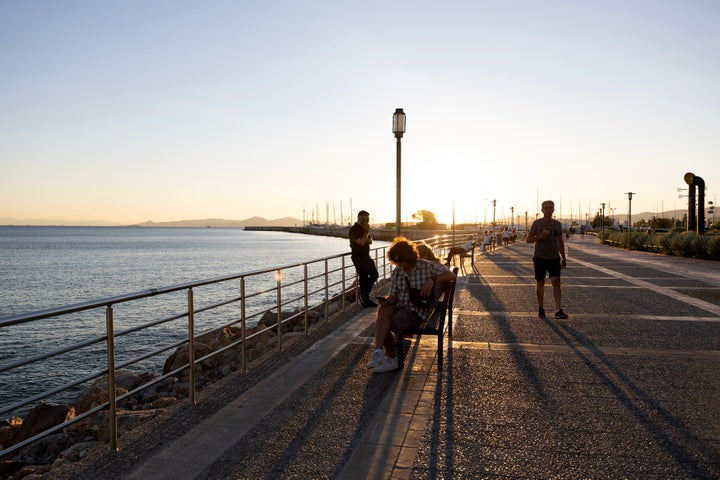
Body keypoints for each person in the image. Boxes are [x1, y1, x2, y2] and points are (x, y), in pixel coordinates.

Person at [368, 237, 457, 373]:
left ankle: (391, 358)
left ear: (409, 257)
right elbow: (393, 297)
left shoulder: (427, 266)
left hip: (417, 310)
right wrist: (386, 301)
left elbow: (451, 275)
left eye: (401, 260)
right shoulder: (397, 272)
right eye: (396, 261)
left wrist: (433, 280)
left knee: (386, 323)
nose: (399, 264)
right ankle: (379, 353)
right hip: (400, 305)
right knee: (382, 311)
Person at [526, 200, 568, 320]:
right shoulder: (537, 223)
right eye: (546, 208)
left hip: (554, 258)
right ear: (542, 210)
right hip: (540, 258)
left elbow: (560, 241)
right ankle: (540, 308)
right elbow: (528, 239)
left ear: (554, 209)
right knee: (540, 283)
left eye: (551, 207)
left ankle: (558, 310)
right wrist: (540, 237)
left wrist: (563, 257)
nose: (548, 209)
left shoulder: (557, 224)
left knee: (556, 283)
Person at [349, 210, 379, 308]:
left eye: (367, 219)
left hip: (366, 256)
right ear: (359, 218)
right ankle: (365, 299)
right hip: (358, 257)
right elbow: (361, 243)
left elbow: (370, 241)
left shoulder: (364, 229)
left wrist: (365, 235)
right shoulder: (354, 230)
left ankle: (363, 295)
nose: (366, 221)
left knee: (375, 274)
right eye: (364, 219)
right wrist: (366, 232)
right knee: (364, 278)